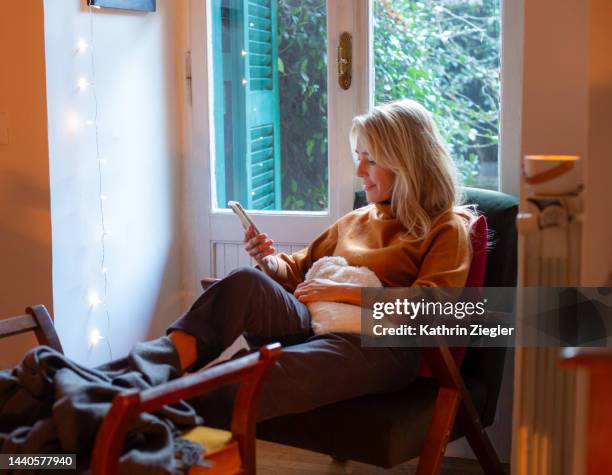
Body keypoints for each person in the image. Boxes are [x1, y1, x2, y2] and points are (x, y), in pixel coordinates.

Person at [167, 99, 475, 422]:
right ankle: (149, 375)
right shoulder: (356, 221)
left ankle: (158, 410)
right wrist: (270, 262)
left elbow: (432, 306)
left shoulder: (446, 226)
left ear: (406, 163)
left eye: (370, 161)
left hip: (378, 344)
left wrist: (338, 292)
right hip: (315, 323)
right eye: (359, 158)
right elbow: (298, 270)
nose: (359, 172)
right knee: (246, 282)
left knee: (265, 371)